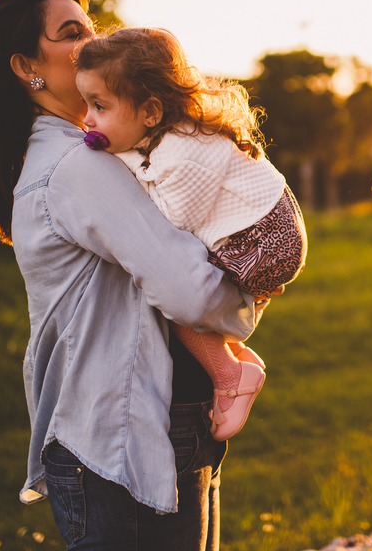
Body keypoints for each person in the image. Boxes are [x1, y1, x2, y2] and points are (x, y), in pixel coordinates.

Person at [0, 0, 263, 551]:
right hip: (125, 445)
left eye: (90, 28)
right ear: (26, 67)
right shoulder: (78, 167)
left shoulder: (85, 154)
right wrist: (254, 287)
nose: (90, 43)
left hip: (137, 428)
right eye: (70, 33)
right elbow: (190, 290)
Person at [73, 28, 306, 441]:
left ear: (150, 111)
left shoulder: (184, 153)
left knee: (176, 292)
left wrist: (117, 161)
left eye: (99, 106)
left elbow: (171, 222)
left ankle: (231, 375)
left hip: (263, 239)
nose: (87, 120)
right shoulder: (167, 136)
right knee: (181, 287)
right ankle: (233, 354)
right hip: (262, 231)